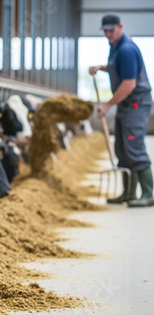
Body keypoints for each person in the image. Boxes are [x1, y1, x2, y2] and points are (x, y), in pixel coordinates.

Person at [89, 14, 154, 207]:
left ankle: (148, 194)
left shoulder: (126, 49)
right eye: (105, 31)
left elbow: (129, 83)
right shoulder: (115, 47)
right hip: (126, 104)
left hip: (136, 103)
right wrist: (101, 67)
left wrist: (107, 105)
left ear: (120, 26)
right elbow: (119, 68)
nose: (108, 34)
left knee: (134, 146)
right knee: (122, 149)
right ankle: (128, 192)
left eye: (111, 30)